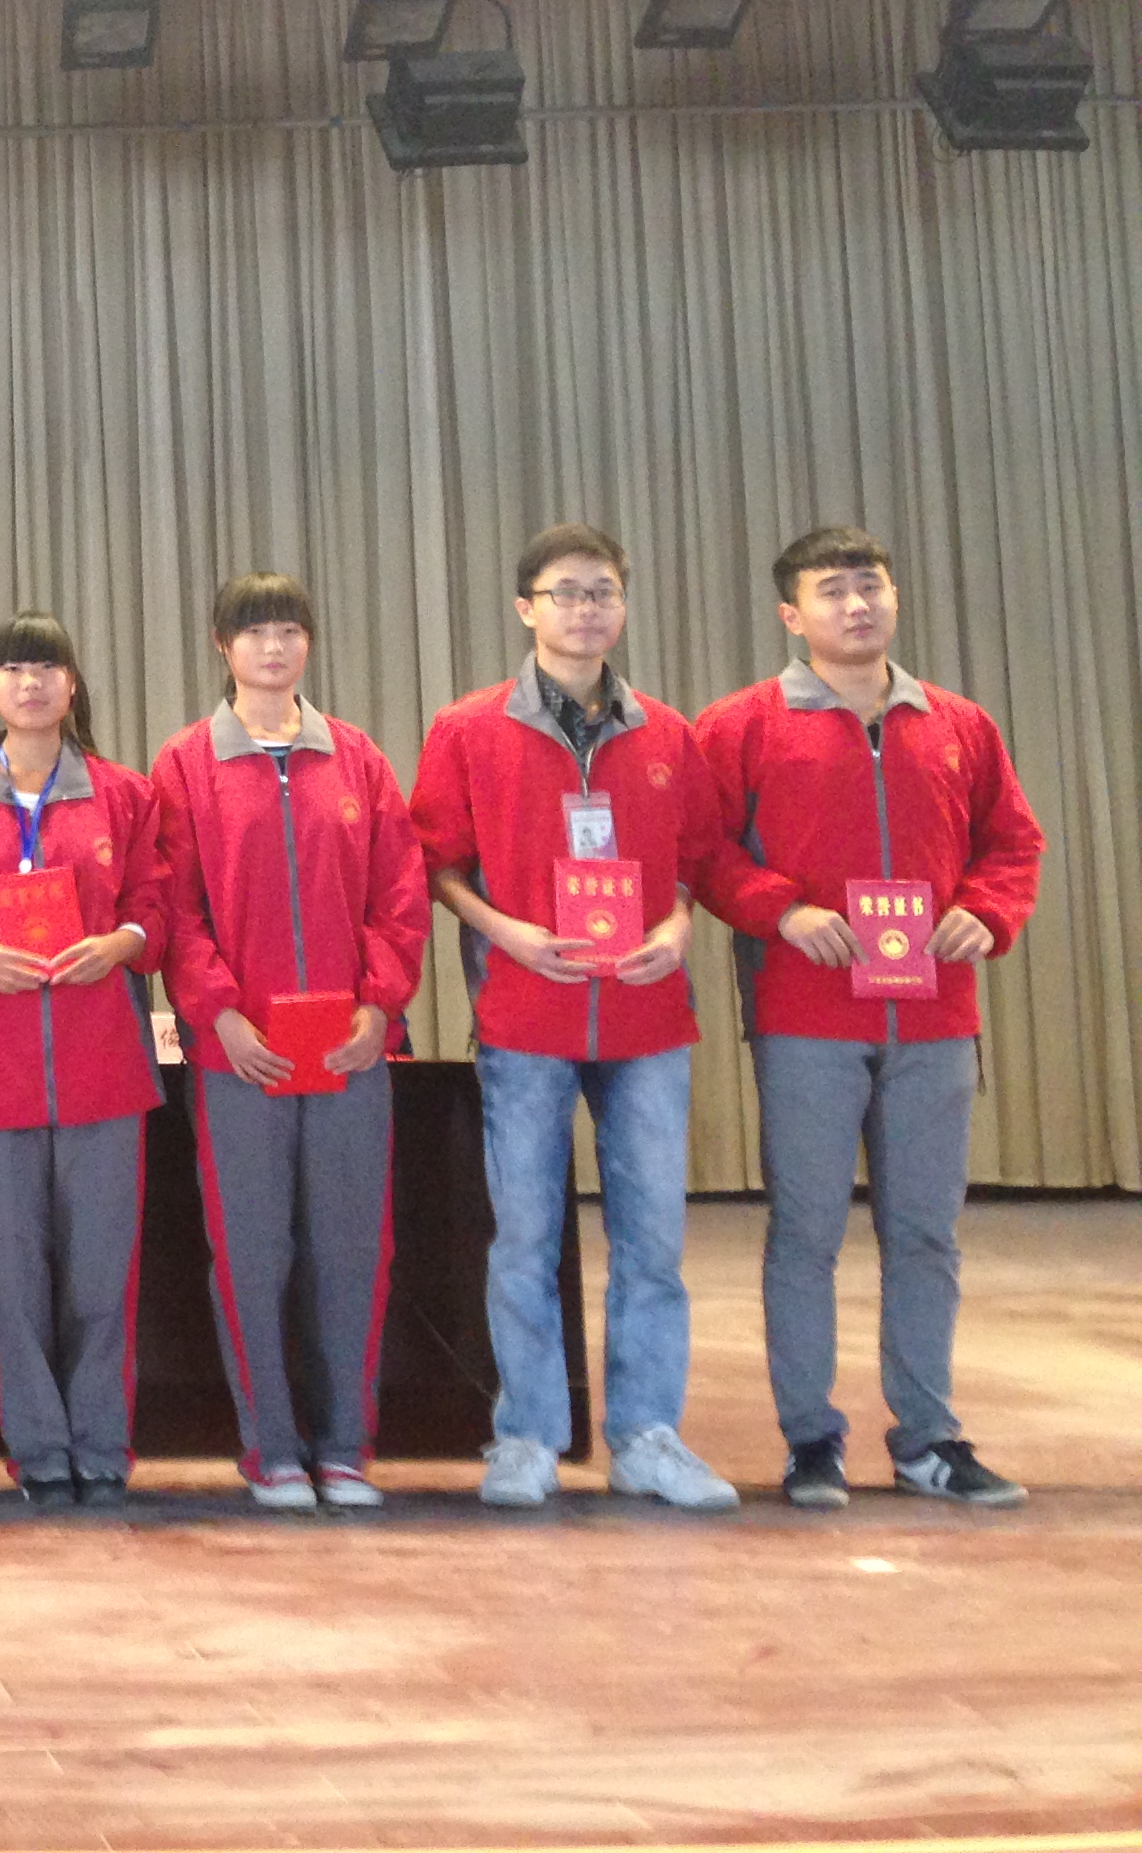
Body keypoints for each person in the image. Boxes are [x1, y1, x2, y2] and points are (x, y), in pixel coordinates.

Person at [411, 525, 791, 1513]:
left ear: (623, 606)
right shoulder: (467, 729)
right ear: (525, 607)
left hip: (646, 1020)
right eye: (566, 592)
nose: (586, 609)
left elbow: (698, 860)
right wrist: (508, 934)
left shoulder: (668, 733)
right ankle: (527, 1436)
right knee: (524, 1239)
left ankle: (648, 1435)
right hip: (525, 1014)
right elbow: (437, 863)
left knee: (652, 1240)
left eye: (603, 592)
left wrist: (676, 924)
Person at [694, 526, 1046, 1511]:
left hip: (935, 1019)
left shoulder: (961, 724)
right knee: (805, 1231)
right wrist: (782, 911)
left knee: (926, 1235)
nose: (856, 605)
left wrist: (988, 911)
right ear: (790, 614)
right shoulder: (742, 725)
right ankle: (811, 1439)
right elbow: (703, 850)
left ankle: (929, 1438)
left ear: (894, 597)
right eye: (832, 591)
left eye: (870, 586)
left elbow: (1013, 842)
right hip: (806, 1015)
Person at [150, 576, 430, 1512]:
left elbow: (400, 896)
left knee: (353, 1248)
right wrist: (219, 1014)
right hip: (242, 1056)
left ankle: (345, 1447)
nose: (273, 648)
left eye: (289, 630)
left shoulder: (358, 758)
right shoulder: (185, 764)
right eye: (254, 632)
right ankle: (270, 1447)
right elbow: (176, 907)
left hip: (350, 1052)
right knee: (251, 1250)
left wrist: (378, 1007)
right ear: (221, 646)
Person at [0, 613, 167, 1510]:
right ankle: (38, 1449)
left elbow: (157, 904)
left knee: (102, 1273)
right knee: (10, 1276)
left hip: (103, 1067)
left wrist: (124, 942)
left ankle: (101, 1442)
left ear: (71, 684)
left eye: (47, 668)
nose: (31, 684)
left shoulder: (125, 796)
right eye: (14, 669)